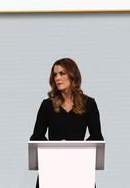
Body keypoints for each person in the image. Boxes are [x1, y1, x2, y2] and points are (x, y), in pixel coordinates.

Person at [30, 58, 103, 187]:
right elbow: (37, 136)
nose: (57, 78)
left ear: (73, 75)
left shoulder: (89, 104)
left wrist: (78, 152)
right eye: (55, 75)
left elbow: (97, 136)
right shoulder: (47, 105)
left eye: (62, 73)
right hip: (51, 169)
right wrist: (54, 152)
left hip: (79, 168)